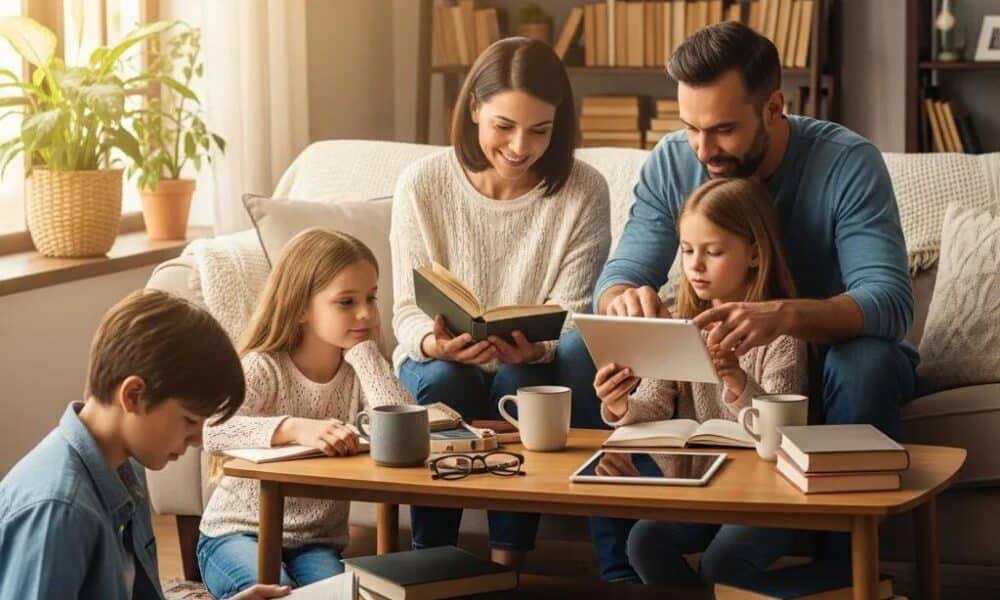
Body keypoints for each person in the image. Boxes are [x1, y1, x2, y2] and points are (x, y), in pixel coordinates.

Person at [559, 20, 917, 581]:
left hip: (823, 352)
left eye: (723, 129)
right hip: (717, 362)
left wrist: (783, 316)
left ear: (773, 107)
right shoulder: (674, 160)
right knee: (581, 350)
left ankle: (844, 573)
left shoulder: (847, 163)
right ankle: (622, 576)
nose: (702, 150)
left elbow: (889, 302)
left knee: (865, 362)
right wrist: (625, 302)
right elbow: (620, 274)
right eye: (690, 128)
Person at [390, 37, 611, 569]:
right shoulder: (423, 184)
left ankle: (506, 566)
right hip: (442, 362)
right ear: (472, 110)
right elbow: (404, 310)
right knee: (445, 385)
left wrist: (533, 350)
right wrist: (430, 340)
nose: (520, 147)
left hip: (532, 364)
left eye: (540, 130)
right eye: (503, 126)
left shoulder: (584, 190)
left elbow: (572, 315)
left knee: (522, 387)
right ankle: (432, 563)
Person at [0, 289, 290, 599]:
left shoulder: (126, 470)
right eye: (190, 421)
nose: (197, 440)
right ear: (133, 395)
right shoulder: (60, 511)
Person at [594, 177, 808, 587]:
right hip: (700, 489)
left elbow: (782, 434)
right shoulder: (679, 324)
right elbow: (654, 406)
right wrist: (621, 403)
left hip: (766, 499)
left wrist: (735, 379)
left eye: (713, 252)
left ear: (754, 255)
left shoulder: (780, 336)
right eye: (688, 250)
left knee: (721, 564)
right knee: (643, 541)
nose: (695, 265)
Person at [197, 228, 416, 598]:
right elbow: (214, 431)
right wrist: (296, 428)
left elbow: (405, 430)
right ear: (300, 307)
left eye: (371, 297)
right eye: (346, 302)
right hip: (235, 531)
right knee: (276, 593)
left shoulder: (357, 370)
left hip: (315, 543)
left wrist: (366, 356)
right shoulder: (264, 368)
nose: (365, 313)